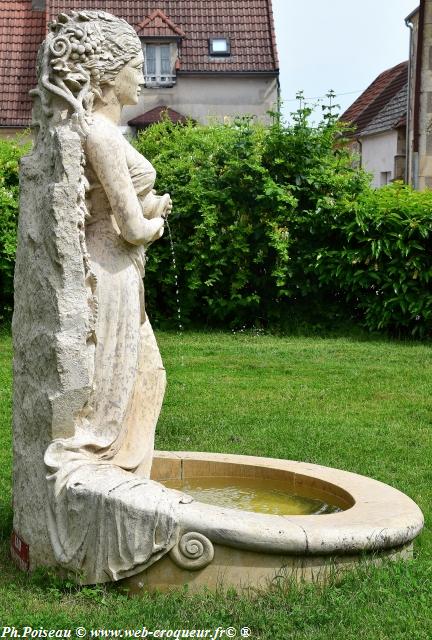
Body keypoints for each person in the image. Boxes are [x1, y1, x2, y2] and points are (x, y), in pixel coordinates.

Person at [38, 10, 180, 582]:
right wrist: (158, 218)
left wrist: (144, 216)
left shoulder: (107, 132)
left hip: (120, 268)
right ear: (106, 74)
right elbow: (127, 223)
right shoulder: (99, 133)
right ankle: (108, 478)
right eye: (132, 66)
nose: (141, 77)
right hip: (112, 271)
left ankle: (127, 476)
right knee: (127, 381)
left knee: (143, 376)